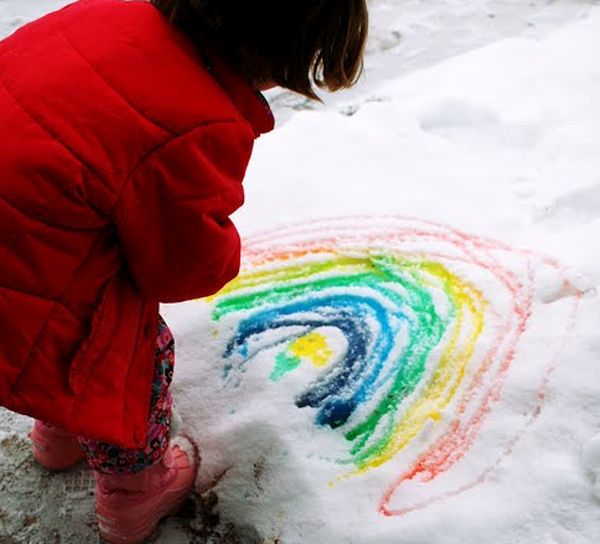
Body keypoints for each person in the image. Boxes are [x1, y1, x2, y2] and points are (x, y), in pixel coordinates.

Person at [0, 0, 368, 542]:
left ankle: (58, 440)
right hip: (31, 262)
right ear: (279, 54)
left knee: (55, 342)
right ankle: (133, 496)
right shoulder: (196, 120)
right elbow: (177, 268)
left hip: (28, 232)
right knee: (122, 359)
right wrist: (221, 248)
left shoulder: (108, 13)